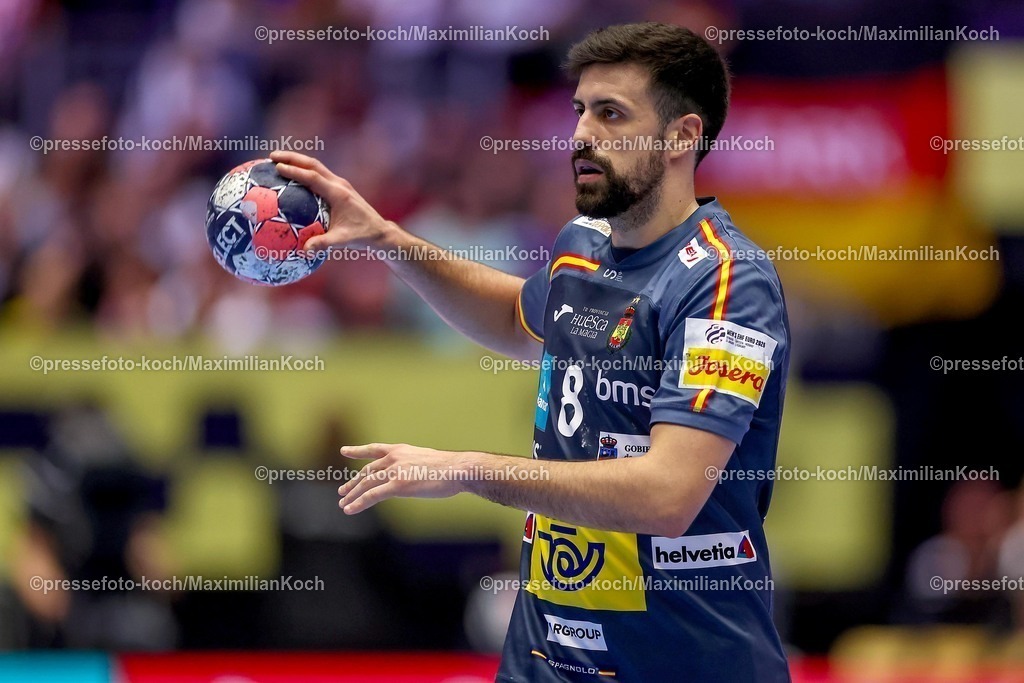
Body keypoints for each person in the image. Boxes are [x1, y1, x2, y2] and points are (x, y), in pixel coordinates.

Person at [271, 21, 791, 683]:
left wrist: (466, 468)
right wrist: (386, 240)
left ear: (683, 135)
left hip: (685, 663)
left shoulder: (724, 280)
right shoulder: (582, 244)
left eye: (610, 114)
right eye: (580, 111)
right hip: (548, 661)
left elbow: (667, 494)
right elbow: (518, 317)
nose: (581, 135)